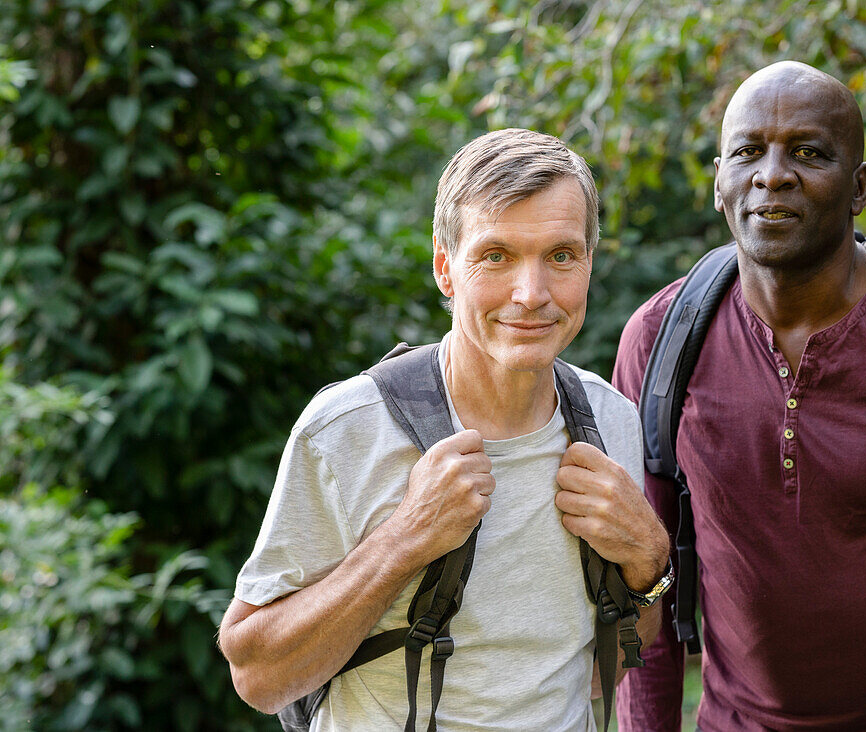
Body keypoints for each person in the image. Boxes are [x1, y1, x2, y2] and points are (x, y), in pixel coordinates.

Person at [219, 128, 672, 731]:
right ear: (444, 267)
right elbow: (257, 677)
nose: (531, 294)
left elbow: (602, 668)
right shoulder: (348, 430)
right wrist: (404, 539)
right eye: (496, 256)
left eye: (561, 256)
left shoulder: (608, 419)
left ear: (589, 262)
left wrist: (650, 560)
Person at [612, 61, 866, 731]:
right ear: (719, 181)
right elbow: (642, 586)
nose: (772, 174)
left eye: (807, 152)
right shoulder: (660, 341)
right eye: (748, 152)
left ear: (859, 188)